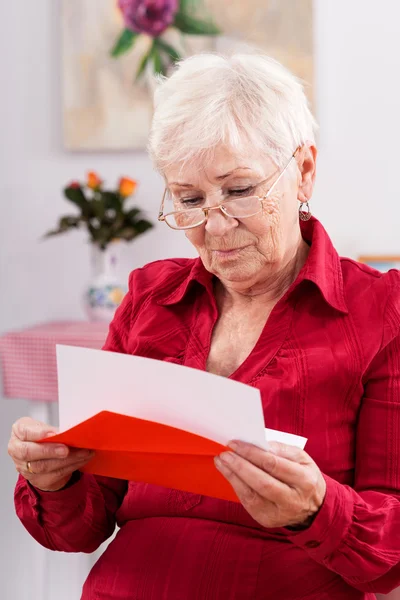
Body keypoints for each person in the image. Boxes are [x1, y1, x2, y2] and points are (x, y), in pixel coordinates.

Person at [8, 53, 400, 600]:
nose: (214, 225)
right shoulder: (150, 299)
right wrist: (57, 477)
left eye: (238, 190)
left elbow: (391, 554)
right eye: (190, 199)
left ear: (304, 171)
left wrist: (318, 508)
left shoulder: (381, 312)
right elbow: (82, 528)